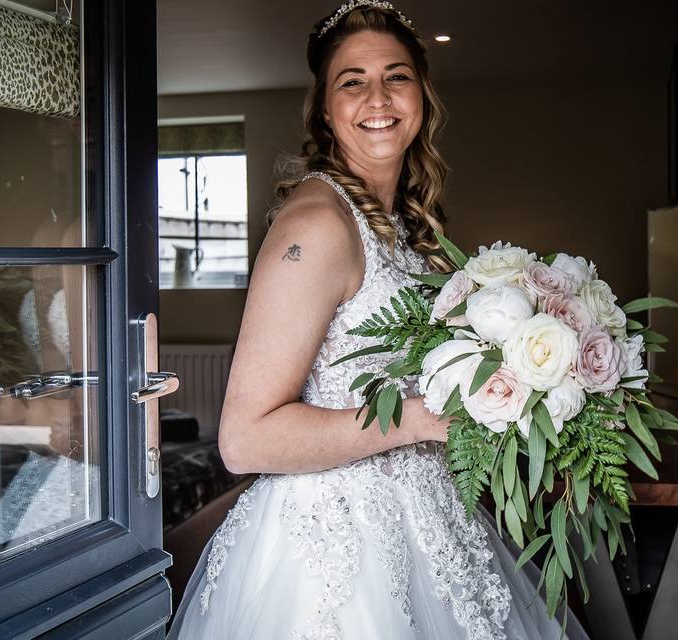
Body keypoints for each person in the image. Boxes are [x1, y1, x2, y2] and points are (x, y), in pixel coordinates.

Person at [167, 2, 589, 638]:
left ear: (422, 93)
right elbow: (245, 438)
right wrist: (415, 420)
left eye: (396, 76)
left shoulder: (406, 228)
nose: (377, 96)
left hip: (430, 516)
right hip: (337, 549)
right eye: (352, 80)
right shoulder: (317, 225)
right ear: (325, 108)